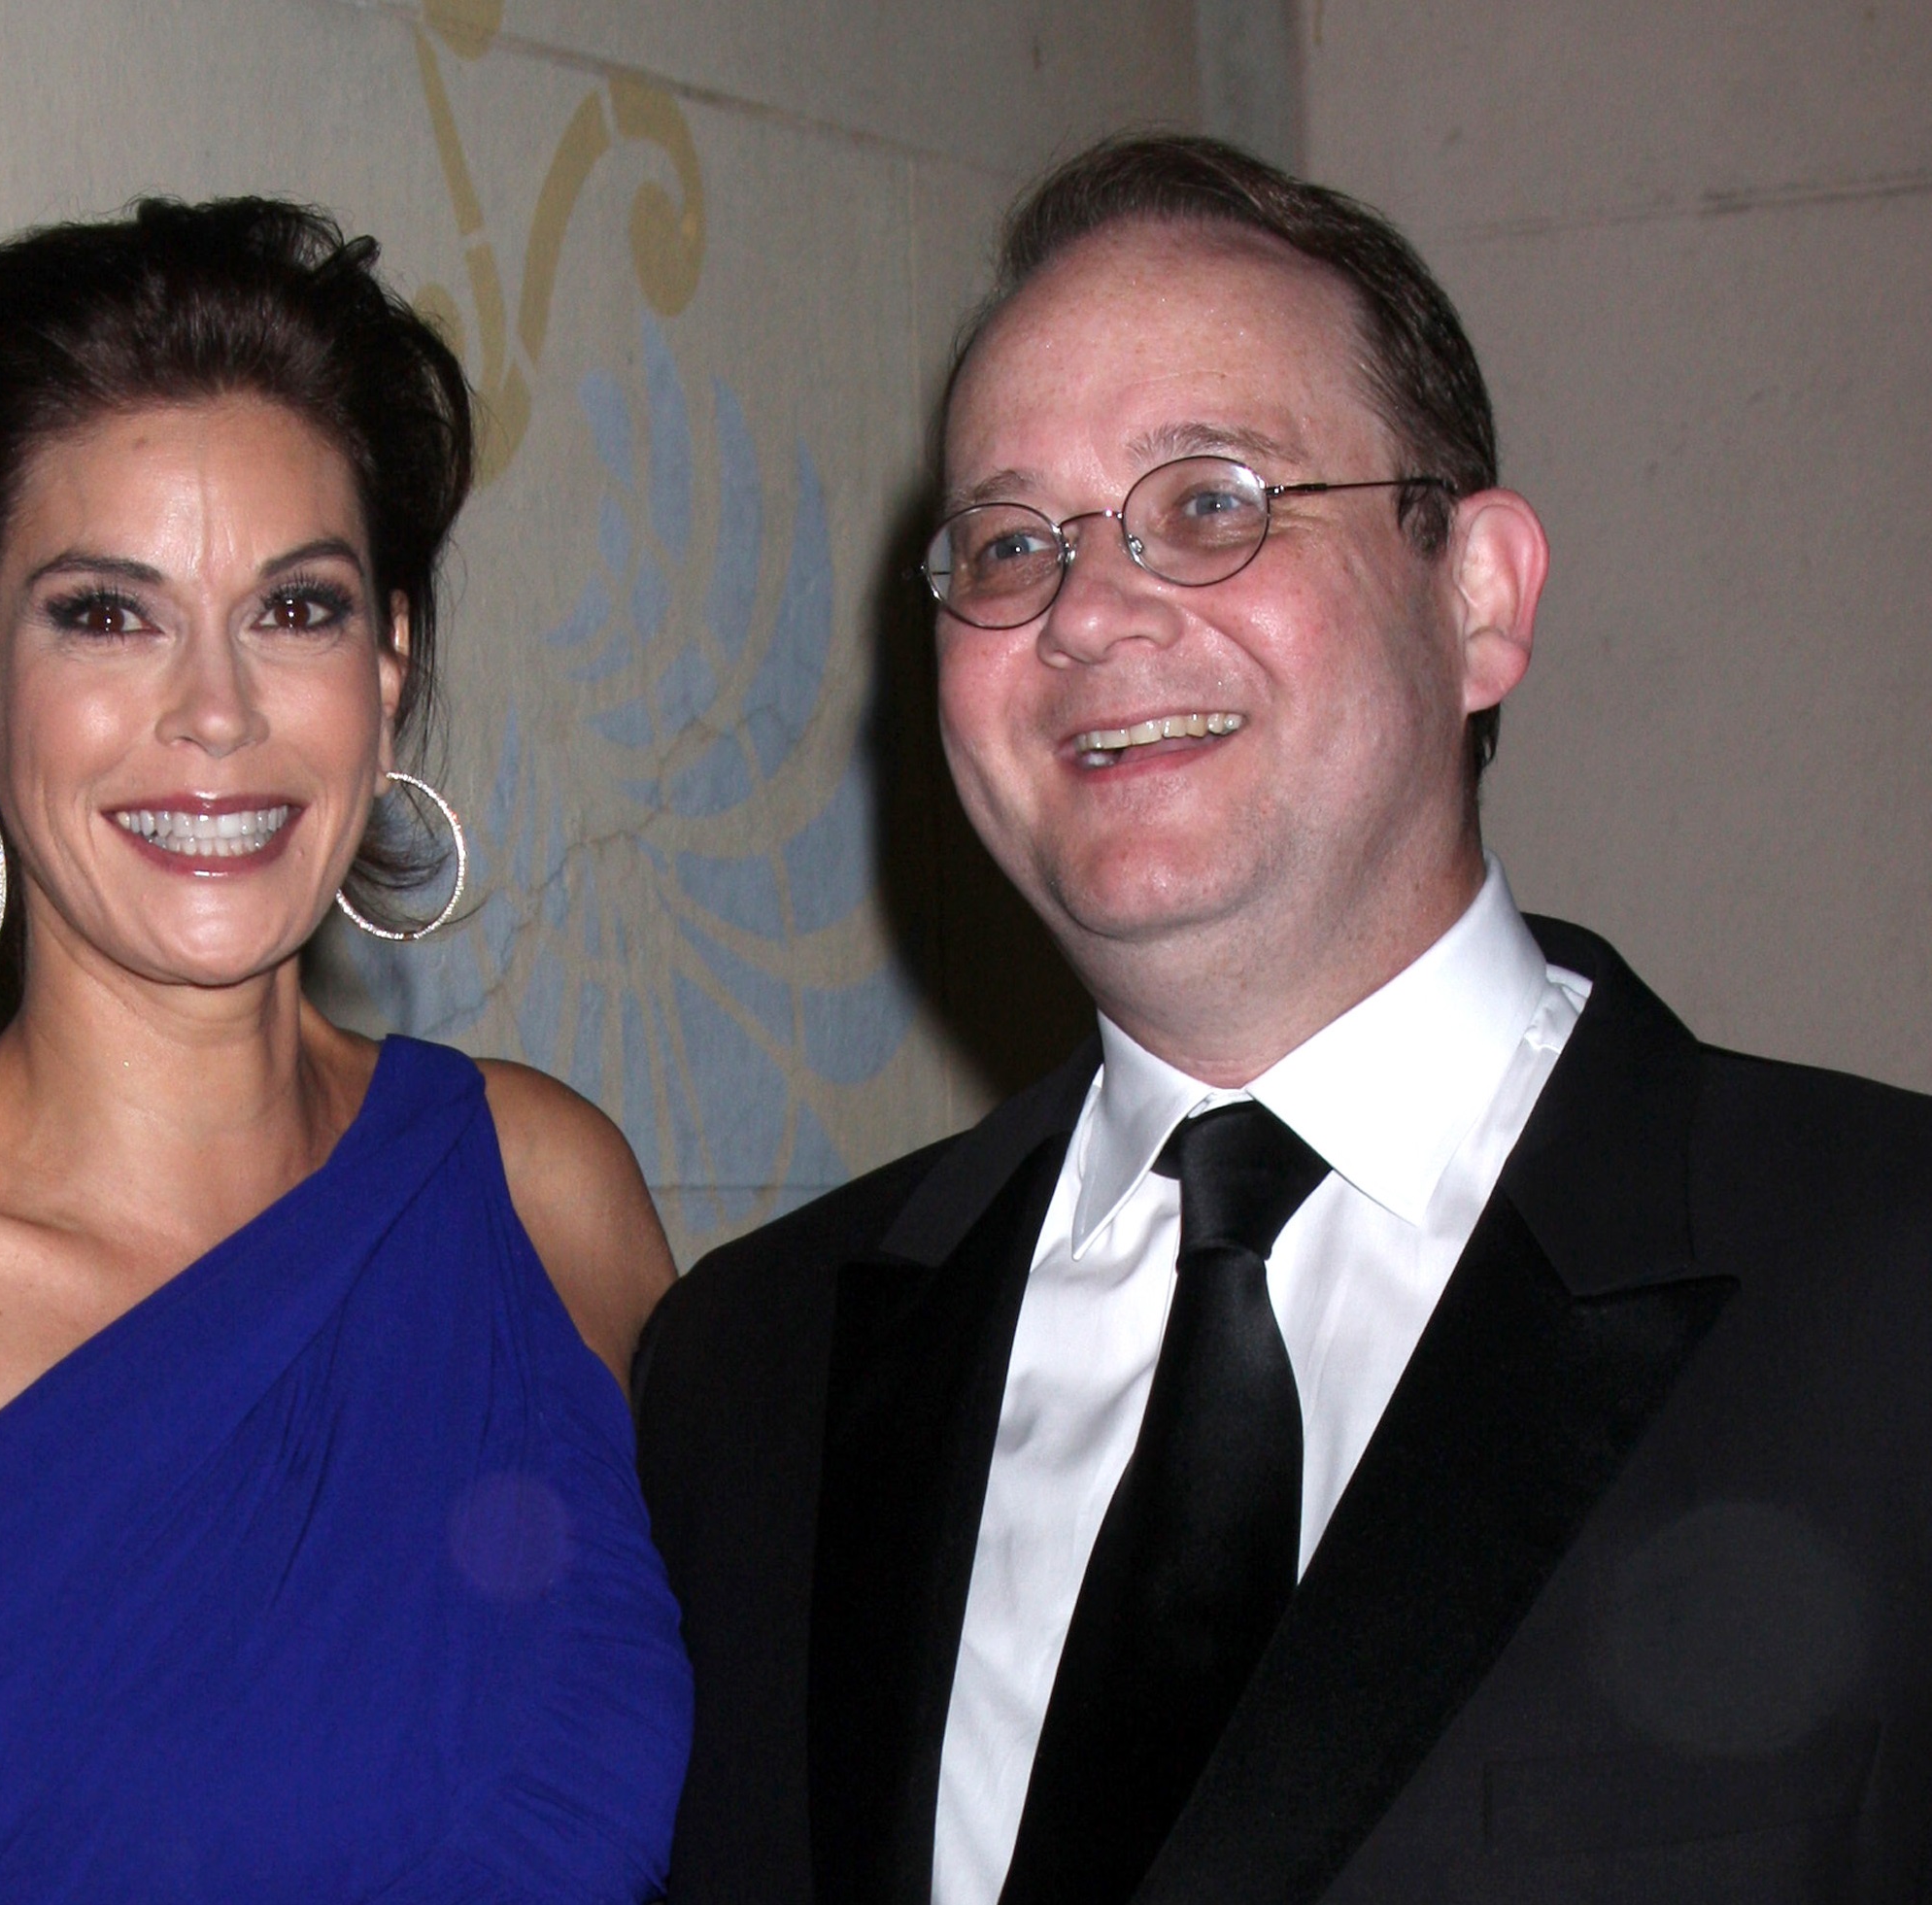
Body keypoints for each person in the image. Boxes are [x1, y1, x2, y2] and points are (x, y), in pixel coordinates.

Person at [635, 134, 1932, 1903]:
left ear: (1480, 596)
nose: (1089, 610)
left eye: (1211, 502)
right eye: (1011, 541)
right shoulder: (748, 1372)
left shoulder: (1886, 1284)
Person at [0, 197, 691, 1904]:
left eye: (296, 611)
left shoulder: (548, 1193)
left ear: (387, 674)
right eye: (107, 614)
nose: (215, 711)